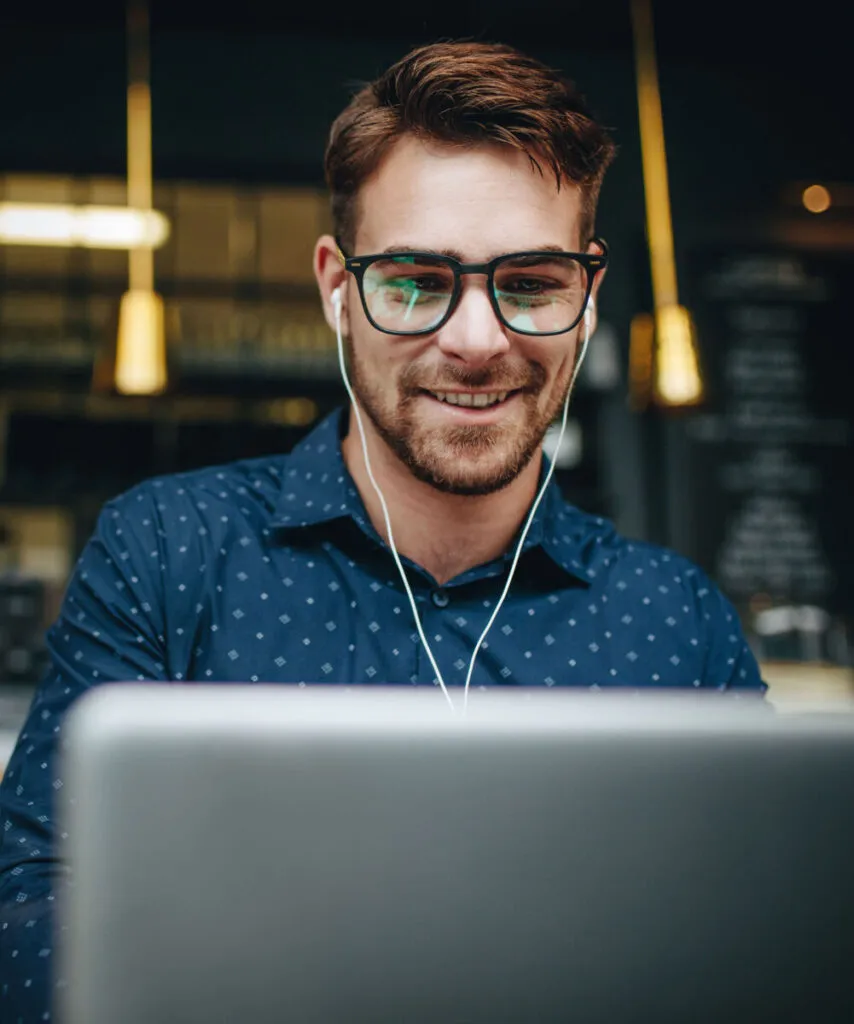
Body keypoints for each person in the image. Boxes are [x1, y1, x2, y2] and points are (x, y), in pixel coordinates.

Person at [0, 40, 765, 1020]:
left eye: (528, 284)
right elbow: (28, 910)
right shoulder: (168, 552)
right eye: (413, 281)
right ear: (336, 286)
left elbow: (757, 953)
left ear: (588, 296)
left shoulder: (677, 625)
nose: (477, 340)